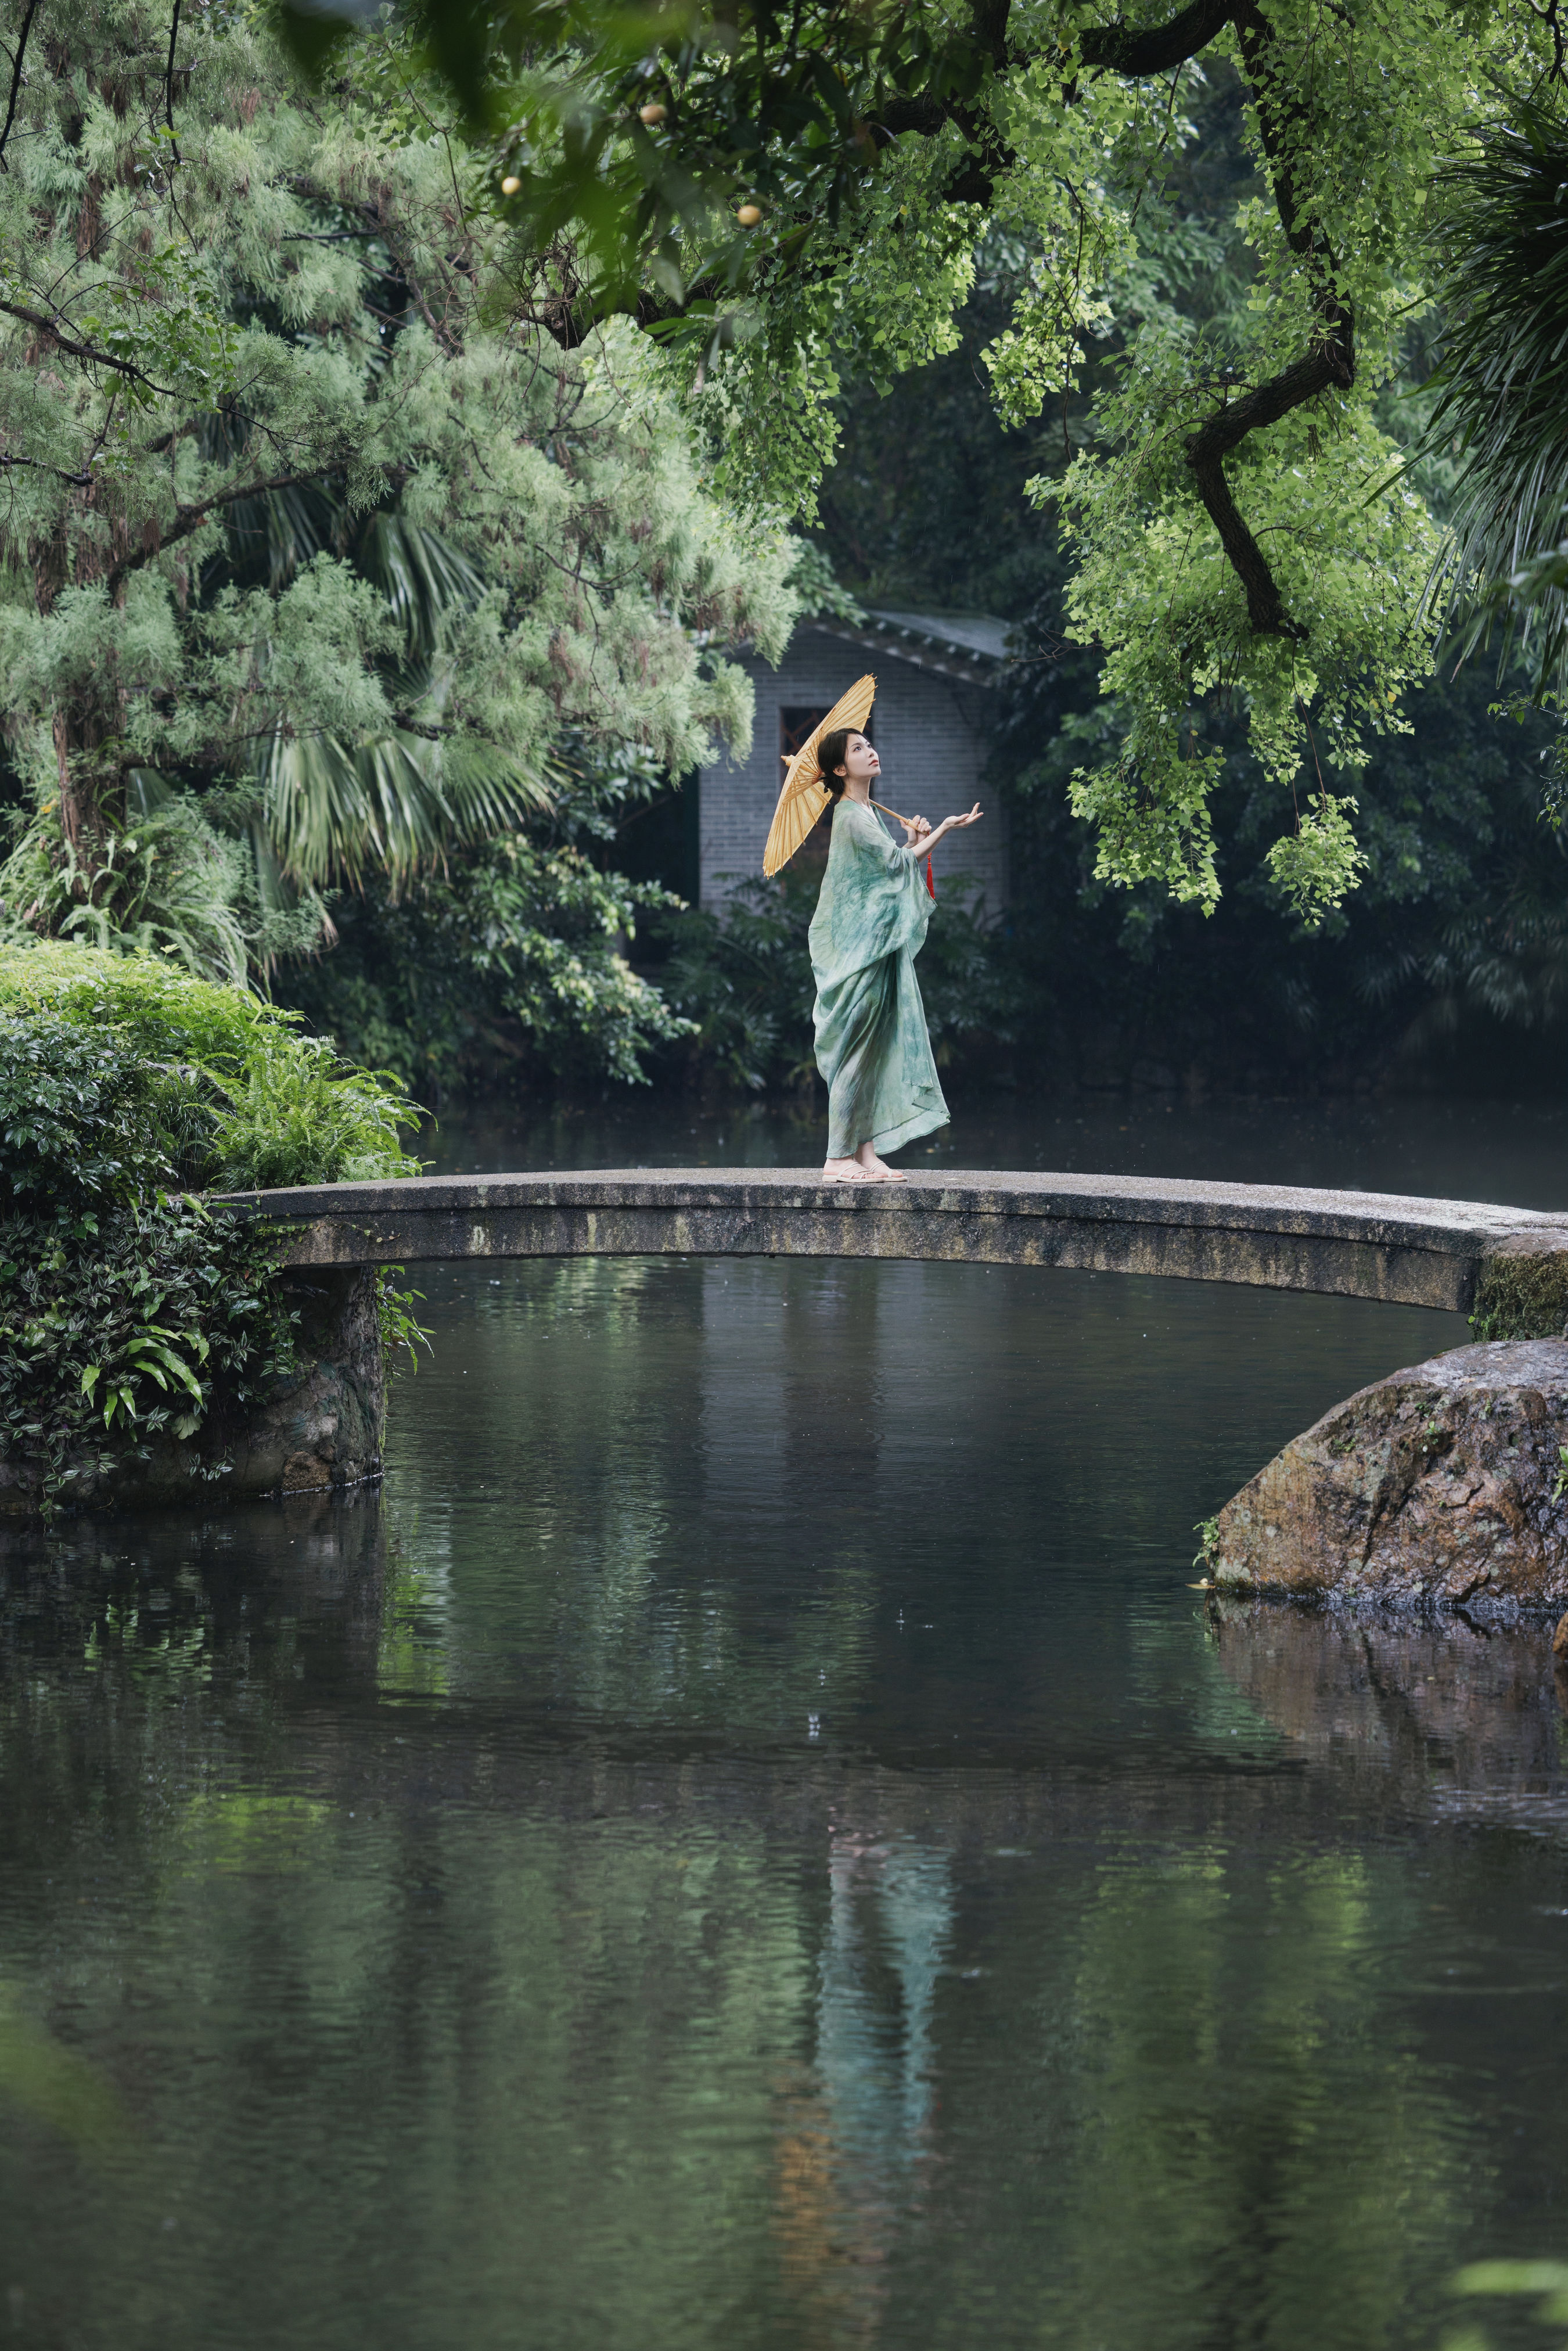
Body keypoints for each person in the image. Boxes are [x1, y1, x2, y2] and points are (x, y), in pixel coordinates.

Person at [808, 728, 983, 1184]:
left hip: (877, 947)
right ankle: (837, 1158)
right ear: (841, 769)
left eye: (869, 743)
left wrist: (907, 840)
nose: (871, 751)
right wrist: (942, 829)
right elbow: (895, 868)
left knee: (876, 1048)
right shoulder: (849, 815)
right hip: (860, 953)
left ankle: (864, 1152)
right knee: (857, 1051)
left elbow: (886, 873)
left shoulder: (867, 811)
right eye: (858, 749)